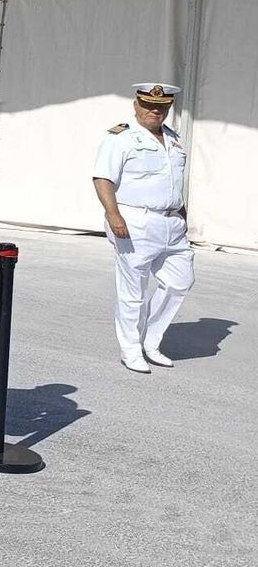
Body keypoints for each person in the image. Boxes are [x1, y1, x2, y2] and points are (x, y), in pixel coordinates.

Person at [92, 83, 193, 374]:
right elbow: (103, 178)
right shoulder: (120, 138)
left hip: (172, 222)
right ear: (135, 105)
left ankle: (151, 340)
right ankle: (131, 349)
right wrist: (113, 215)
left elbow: (173, 181)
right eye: (148, 105)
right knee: (132, 290)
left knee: (180, 280)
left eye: (161, 107)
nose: (154, 110)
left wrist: (182, 216)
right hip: (136, 220)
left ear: (169, 108)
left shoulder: (172, 138)